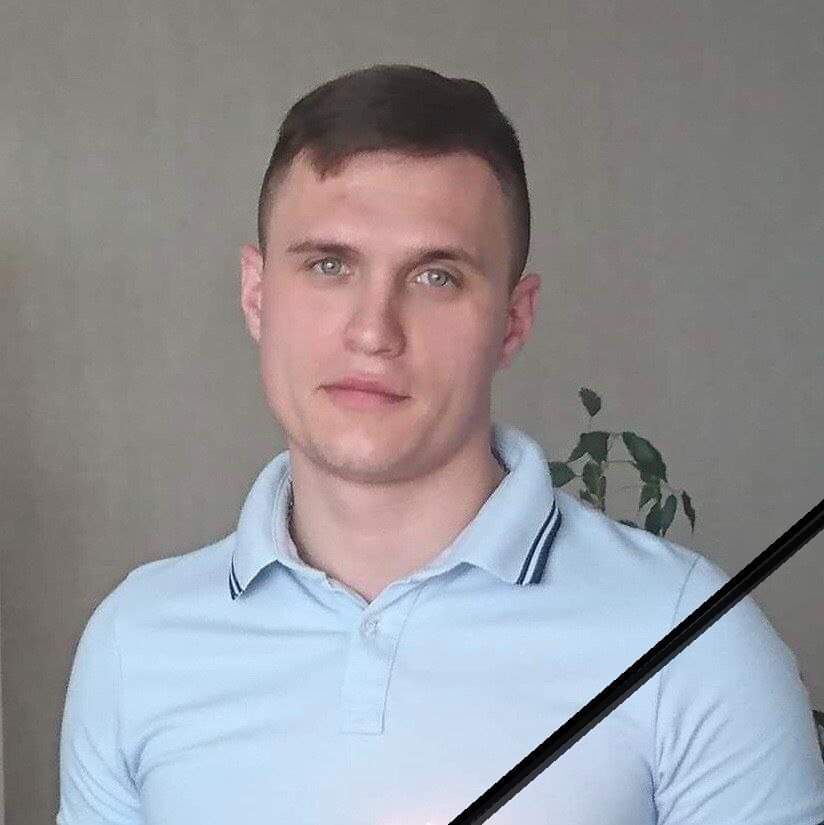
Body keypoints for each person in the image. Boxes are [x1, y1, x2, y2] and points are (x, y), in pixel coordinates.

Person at [56, 63, 824, 825]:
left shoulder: (696, 641)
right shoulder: (135, 643)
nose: (373, 331)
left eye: (436, 278)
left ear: (513, 320)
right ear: (257, 294)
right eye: (329, 265)